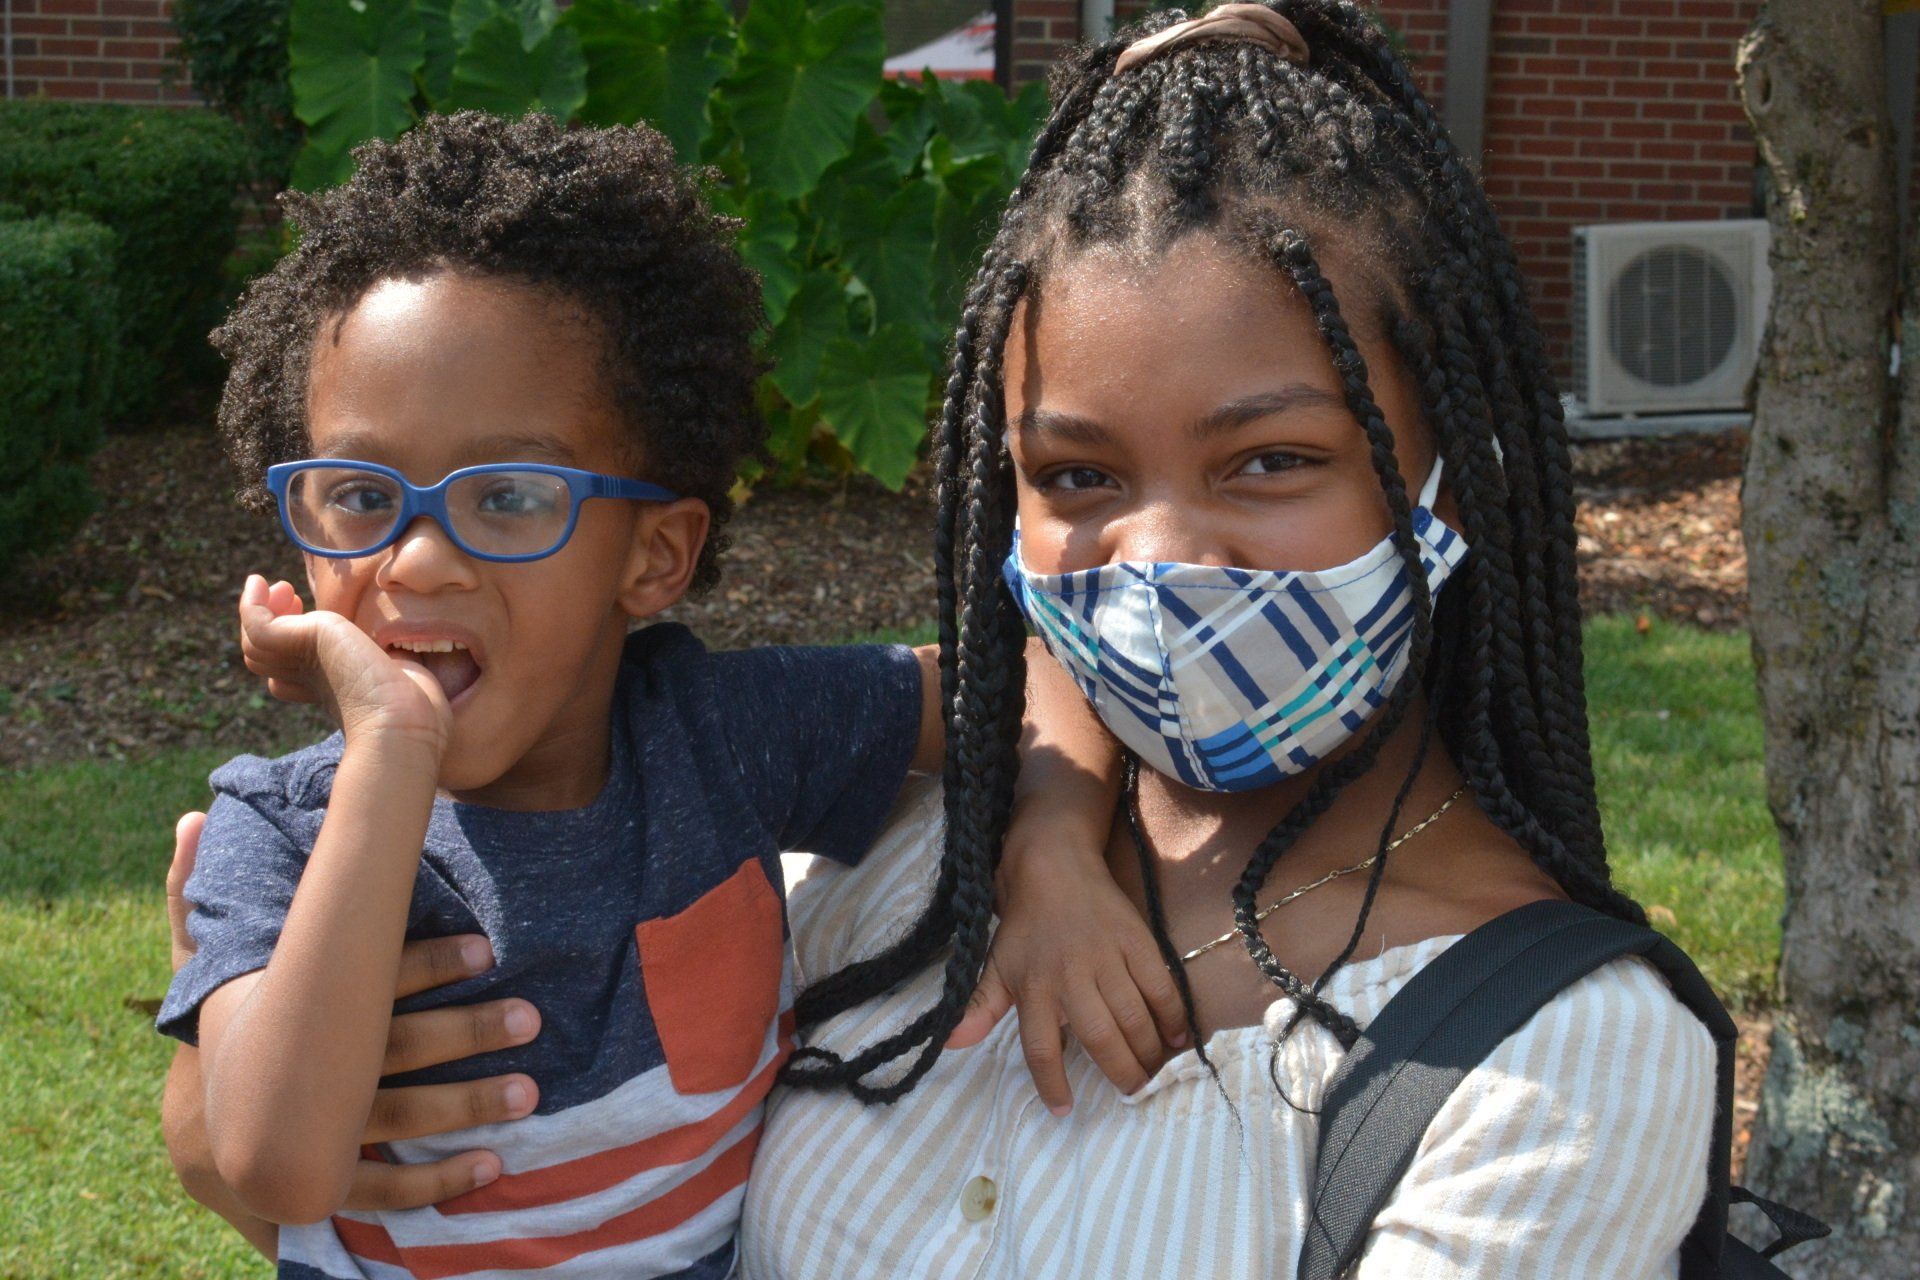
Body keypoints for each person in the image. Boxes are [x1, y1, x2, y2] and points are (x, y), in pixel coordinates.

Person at [166, 3, 1720, 1275]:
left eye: (1271, 460)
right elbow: (342, 1159)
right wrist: (1044, 834)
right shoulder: (884, 863)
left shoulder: (1551, 1066)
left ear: (1457, 466)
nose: (1161, 558)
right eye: (1077, 477)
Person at [152, 111, 1150, 1280]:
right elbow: (270, 1164)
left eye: (508, 497)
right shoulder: (276, 833)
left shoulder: (722, 737)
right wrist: (388, 746)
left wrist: (1054, 850)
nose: (415, 560)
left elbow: (1028, 676)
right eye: (363, 496)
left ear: (654, 553)